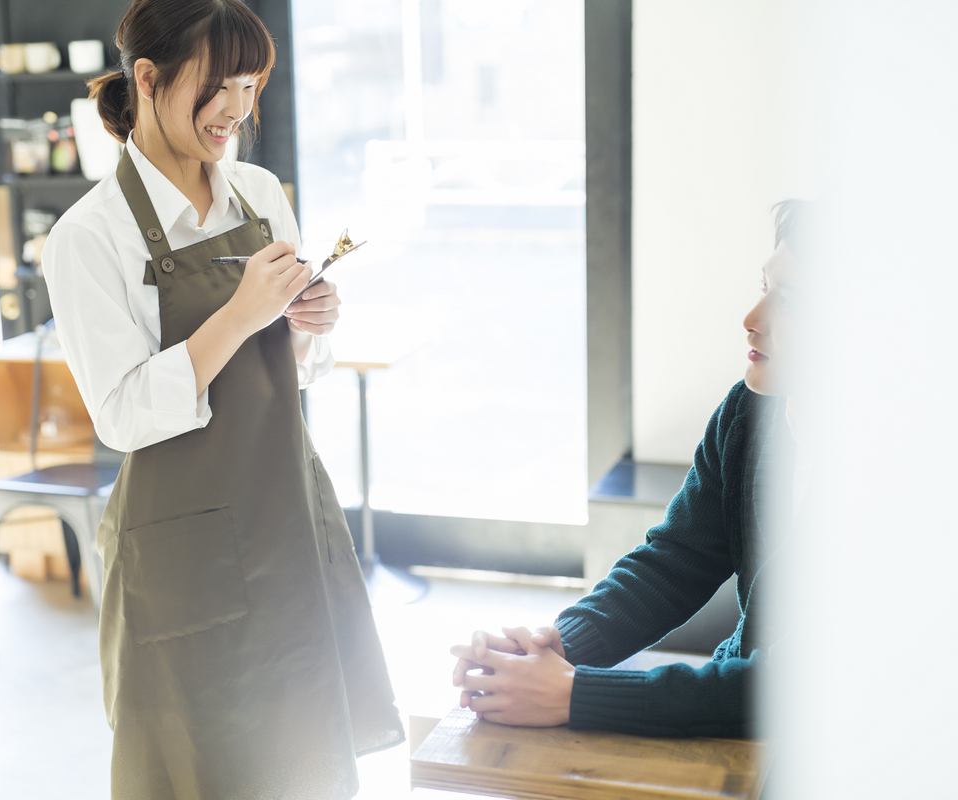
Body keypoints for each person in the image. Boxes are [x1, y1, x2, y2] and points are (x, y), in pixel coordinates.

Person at [40, 1, 404, 797]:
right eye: (219, 85)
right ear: (147, 77)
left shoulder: (260, 193)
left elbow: (299, 370)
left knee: (306, 758)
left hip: (285, 519)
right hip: (182, 553)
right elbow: (124, 414)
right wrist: (240, 316)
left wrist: (308, 324)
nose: (238, 109)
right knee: (202, 769)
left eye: (251, 83)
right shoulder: (90, 236)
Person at [450, 202, 808, 738]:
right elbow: (673, 562)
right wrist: (555, 645)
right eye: (764, 287)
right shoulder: (750, 414)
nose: (752, 319)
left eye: (791, 301)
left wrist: (575, 694)